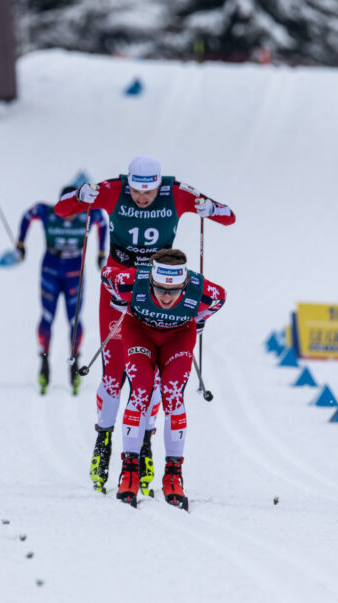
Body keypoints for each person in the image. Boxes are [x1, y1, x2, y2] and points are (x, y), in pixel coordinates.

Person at [55, 155, 235, 495]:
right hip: (121, 287)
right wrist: (82, 195)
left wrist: (208, 208)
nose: (141, 198)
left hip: (158, 289)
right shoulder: (112, 190)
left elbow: (229, 216)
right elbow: (62, 211)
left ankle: (147, 442)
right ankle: (103, 439)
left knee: (151, 376)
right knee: (114, 371)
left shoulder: (176, 193)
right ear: (128, 183)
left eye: (148, 191)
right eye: (136, 191)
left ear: (158, 185)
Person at [101, 249, 225, 510]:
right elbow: (107, 275)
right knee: (140, 390)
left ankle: (173, 475)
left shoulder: (200, 289)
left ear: (184, 283)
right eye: (160, 290)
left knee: (172, 394)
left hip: (178, 336)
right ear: (151, 282)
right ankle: (130, 472)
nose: (167, 297)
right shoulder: (133, 280)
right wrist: (118, 301)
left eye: (175, 291)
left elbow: (220, 298)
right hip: (139, 332)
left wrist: (200, 319)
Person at [16, 185, 107, 395]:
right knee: (47, 317)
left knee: (74, 320)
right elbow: (28, 214)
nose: (70, 215)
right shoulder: (47, 212)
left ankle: (74, 364)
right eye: (66, 209)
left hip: (75, 271)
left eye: (76, 209)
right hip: (50, 269)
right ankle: (44, 363)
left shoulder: (89, 213)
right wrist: (21, 242)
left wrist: (101, 252)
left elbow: (102, 220)